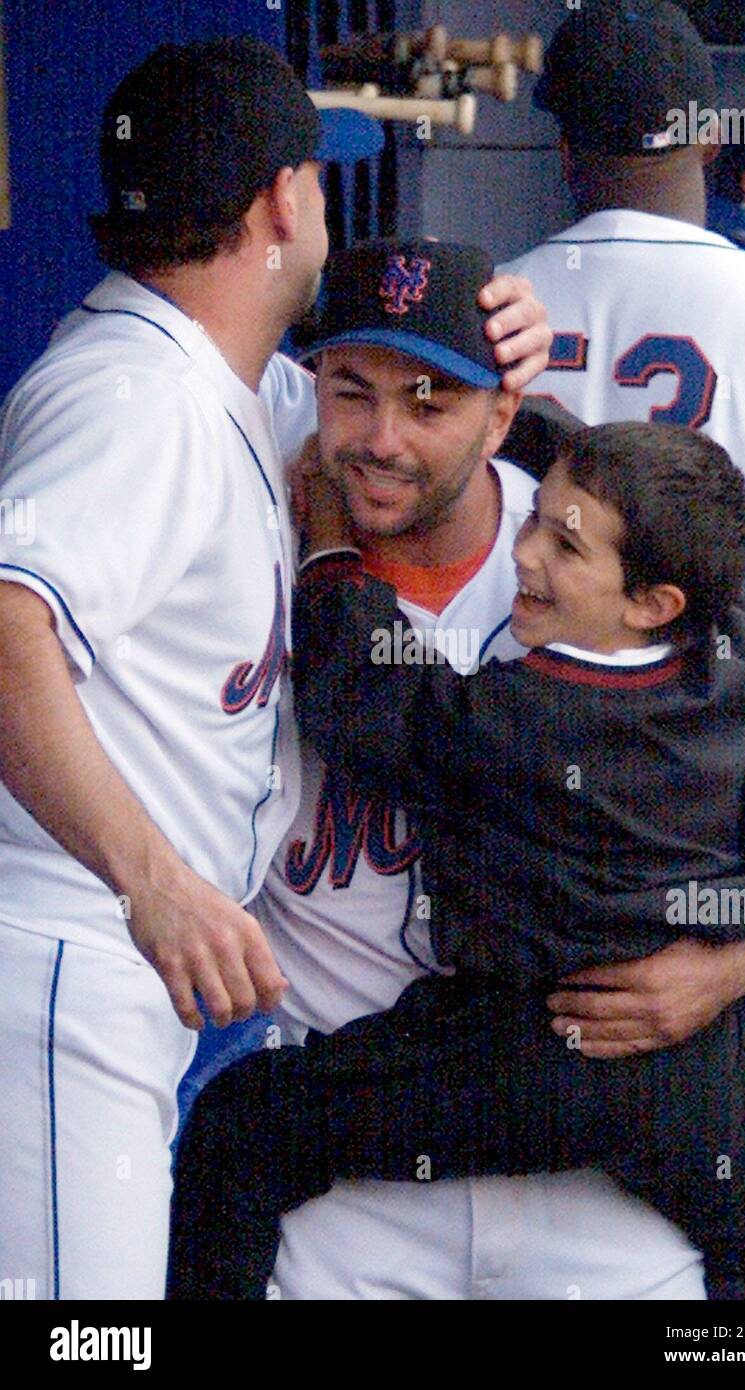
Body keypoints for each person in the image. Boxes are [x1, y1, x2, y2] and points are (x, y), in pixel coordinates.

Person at [0, 38, 549, 1301]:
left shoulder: (234, 386)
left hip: (116, 982)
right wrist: (152, 884)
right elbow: (10, 625)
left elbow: (413, 418)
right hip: (70, 951)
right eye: (312, 175)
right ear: (277, 205)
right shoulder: (138, 396)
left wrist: (516, 341)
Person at [166, 298, 745, 1299]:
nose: (530, 553)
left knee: (241, 1129)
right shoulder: (723, 652)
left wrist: (332, 545)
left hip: (537, 1051)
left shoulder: (526, 712)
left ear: (651, 600)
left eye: (567, 546)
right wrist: (515, 412)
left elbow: (362, 694)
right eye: (541, 523)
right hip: (698, 1083)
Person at [500, 0, 745, 1247]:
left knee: (539, 1194)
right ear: (708, 139)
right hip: (730, 773)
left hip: (515, 762)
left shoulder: (494, 309)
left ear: (565, 147)